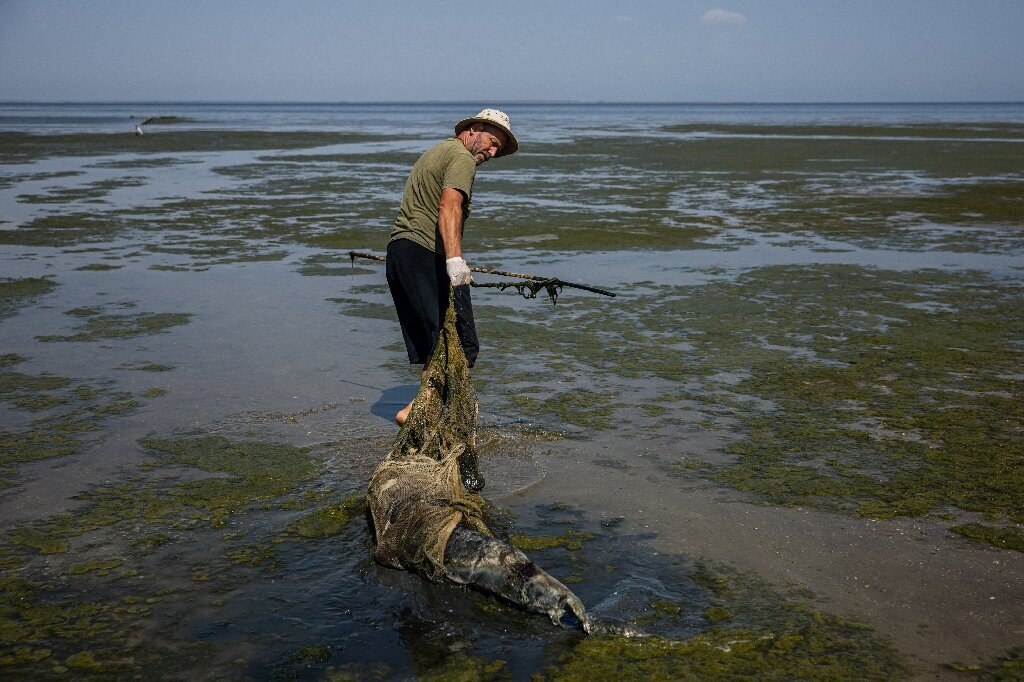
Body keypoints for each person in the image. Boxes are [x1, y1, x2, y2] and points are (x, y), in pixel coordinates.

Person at [386, 108, 519, 426]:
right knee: (462, 341)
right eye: (491, 142)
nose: (492, 151)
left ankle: (424, 412)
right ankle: (417, 412)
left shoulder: (436, 152)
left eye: (497, 148)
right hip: (424, 254)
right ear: (474, 129)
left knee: (438, 341)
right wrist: (455, 260)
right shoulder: (460, 157)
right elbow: (449, 204)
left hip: (401, 253)